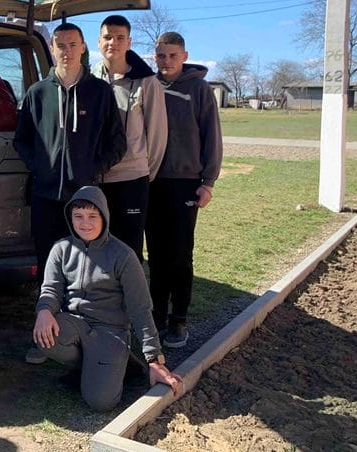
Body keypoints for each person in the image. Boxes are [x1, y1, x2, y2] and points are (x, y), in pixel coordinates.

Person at [30, 186, 182, 412]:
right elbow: (51, 288)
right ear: (70, 218)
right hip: (74, 323)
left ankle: (125, 365)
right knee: (46, 335)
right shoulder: (61, 249)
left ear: (104, 217)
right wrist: (43, 311)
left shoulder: (123, 255)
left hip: (110, 331)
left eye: (93, 216)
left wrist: (154, 359)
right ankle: (96, 368)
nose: (85, 223)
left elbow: (140, 308)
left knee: (101, 403)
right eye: (78, 216)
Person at [13, 22, 127, 288]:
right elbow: (22, 140)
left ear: (83, 48)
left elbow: (118, 143)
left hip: (84, 197)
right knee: (48, 261)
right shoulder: (37, 93)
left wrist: (93, 169)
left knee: (84, 263)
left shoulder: (99, 92)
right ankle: (47, 318)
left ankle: (79, 320)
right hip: (45, 195)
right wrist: (40, 167)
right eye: (61, 46)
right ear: (52, 49)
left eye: (73, 45)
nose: (67, 51)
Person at [145, 32, 223, 349]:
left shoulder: (199, 89)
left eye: (173, 55)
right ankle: (157, 316)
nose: (166, 61)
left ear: (184, 55)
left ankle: (178, 320)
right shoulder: (148, 86)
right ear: (155, 56)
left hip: (185, 184)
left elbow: (212, 137)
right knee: (156, 255)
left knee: (179, 254)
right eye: (161, 55)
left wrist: (208, 182)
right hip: (150, 182)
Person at [91, 14, 167, 262]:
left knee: (127, 249)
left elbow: (157, 134)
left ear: (129, 42)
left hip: (131, 179)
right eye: (108, 37)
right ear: (99, 41)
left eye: (120, 37)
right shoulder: (89, 79)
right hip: (96, 177)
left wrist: (143, 171)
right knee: (97, 244)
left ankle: (130, 300)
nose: (113, 42)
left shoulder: (147, 82)